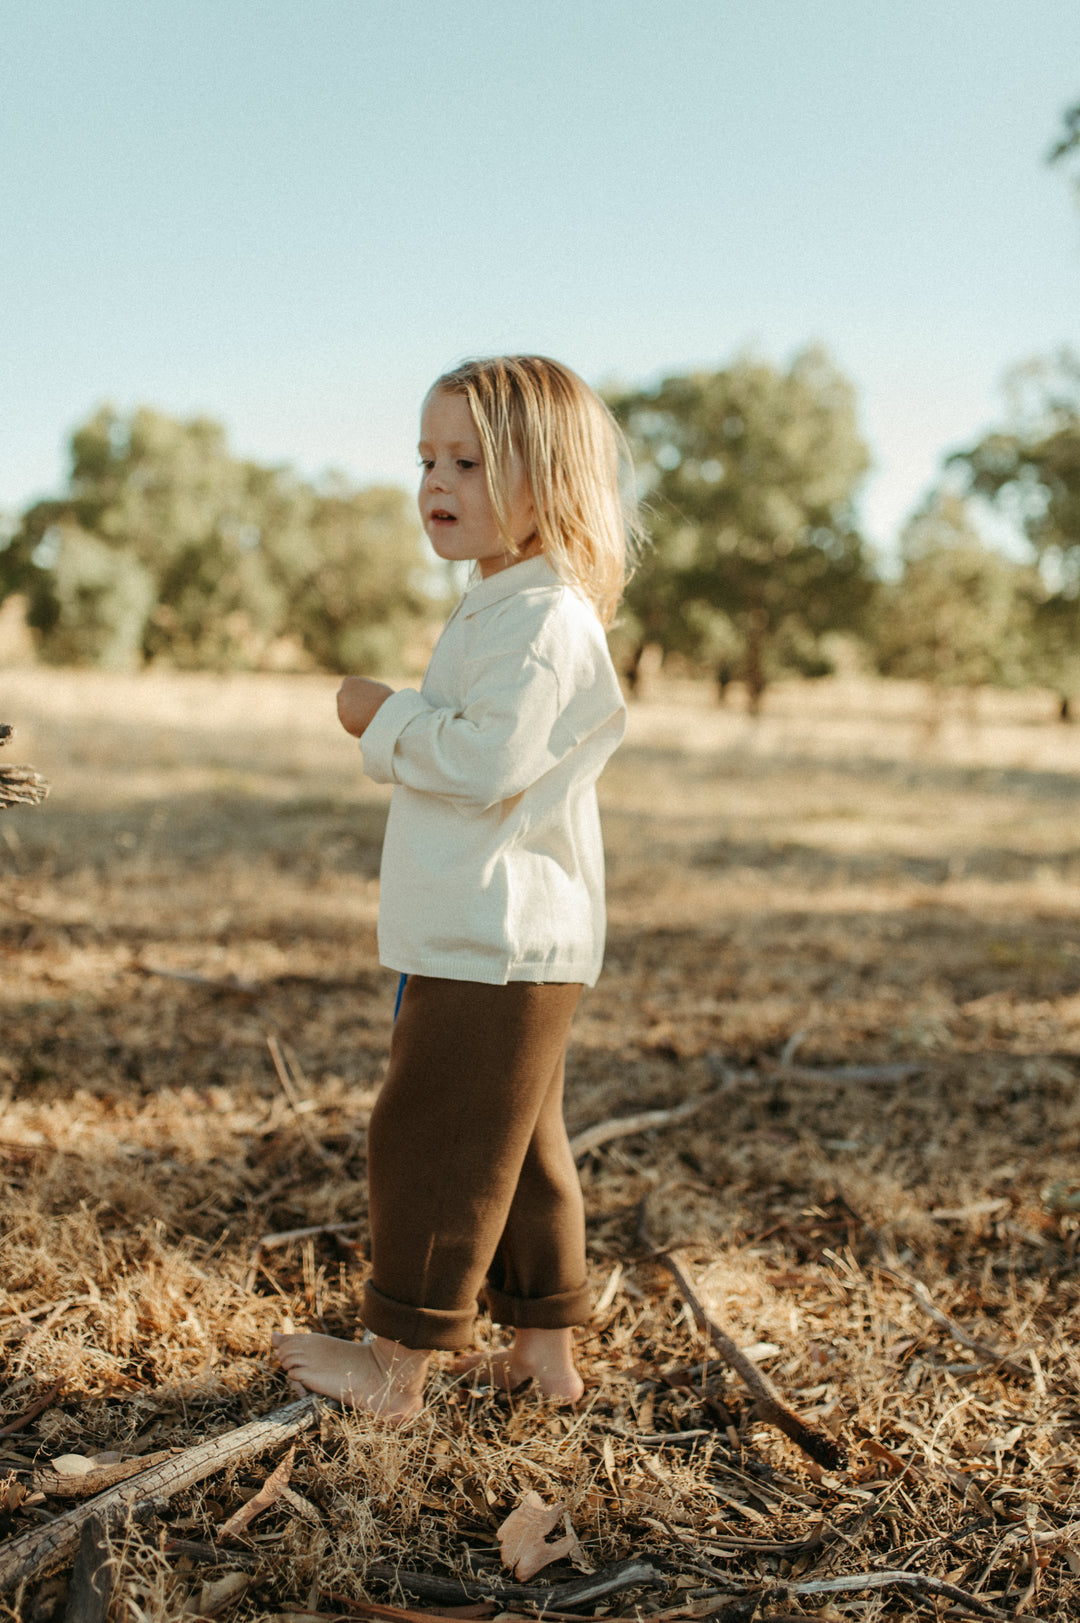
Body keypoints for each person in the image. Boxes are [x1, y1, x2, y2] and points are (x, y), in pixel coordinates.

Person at [272, 355, 639, 1421]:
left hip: (495, 938)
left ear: (551, 481)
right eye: (428, 457)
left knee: (430, 1136)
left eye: (471, 461)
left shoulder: (541, 621)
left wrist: (379, 716)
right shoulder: (508, 604)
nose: (438, 480)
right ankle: (544, 1349)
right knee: (516, 1146)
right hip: (505, 936)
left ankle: (395, 1366)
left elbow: (484, 764)